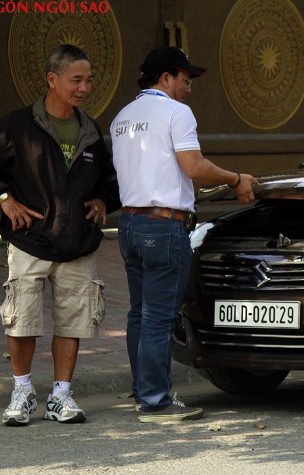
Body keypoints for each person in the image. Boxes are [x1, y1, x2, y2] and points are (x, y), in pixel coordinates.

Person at [0, 44, 121, 426]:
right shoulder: (18, 125)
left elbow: (109, 179)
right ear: (53, 79)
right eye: (76, 80)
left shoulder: (89, 129)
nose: (84, 88)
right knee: (22, 319)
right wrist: (4, 200)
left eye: (88, 80)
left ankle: (61, 397)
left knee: (73, 321)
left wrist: (102, 200)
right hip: (30, 241)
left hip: (77, 243)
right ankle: (22, 390)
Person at [110, 46, 258, 423]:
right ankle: (156, 401)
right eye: (185, 80)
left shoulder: (122, 117)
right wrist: (236, 178)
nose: (189, 88)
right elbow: (194, 167)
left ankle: (141, 390)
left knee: (139, 314)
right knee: (159, 317)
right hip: (163, 226)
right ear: (166, 78)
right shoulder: (176, 113)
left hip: (128, 224)